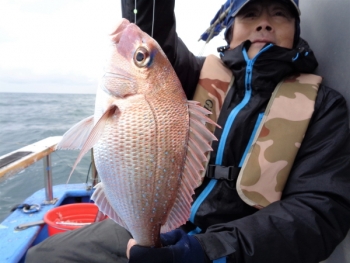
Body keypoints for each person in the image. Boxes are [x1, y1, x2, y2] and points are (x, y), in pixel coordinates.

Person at [26, 0, 350, 262]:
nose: (264, 23)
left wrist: (203, 252)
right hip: (150, 218)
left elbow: (320, 210)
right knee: (45, 255)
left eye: (279, 13)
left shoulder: (324, 107)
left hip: (235, 250)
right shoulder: (193, 76)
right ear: (229, 31)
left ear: (296, 30)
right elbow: (157, 37)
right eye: (249, 13)